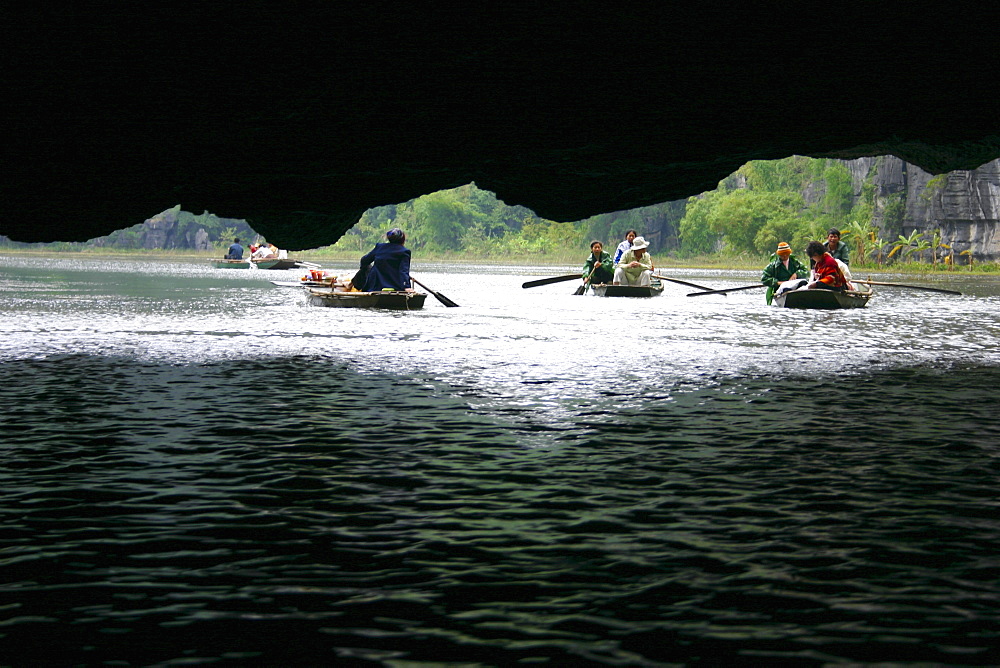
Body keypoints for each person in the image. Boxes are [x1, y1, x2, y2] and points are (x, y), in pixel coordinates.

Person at [355, 227, 412, 292]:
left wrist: (364, 269)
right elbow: (403, 271)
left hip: (375, 286)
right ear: (402, 239)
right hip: (396, 286)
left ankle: (354, 284)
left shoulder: (380, 247)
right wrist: (406, 287)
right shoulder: (404, 251)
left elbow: (364, 260)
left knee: (366, 267)